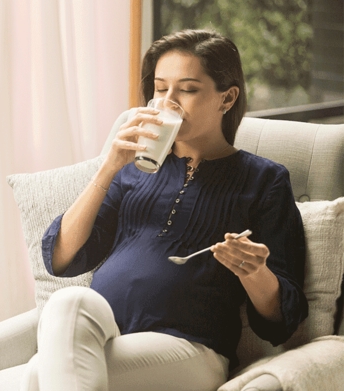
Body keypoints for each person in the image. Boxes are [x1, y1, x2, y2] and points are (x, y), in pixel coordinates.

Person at [21, 29, 308, 391]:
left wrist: (254, 271)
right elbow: (62, 257)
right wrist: (109, 166)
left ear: (227, 98)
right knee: (68, 304)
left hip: (190, 349)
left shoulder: (265, 180)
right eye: (160, 89)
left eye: (187, 89)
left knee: (37, 374)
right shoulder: (129, 170)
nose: (169, 101)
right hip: (107, 335)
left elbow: (283, 320)